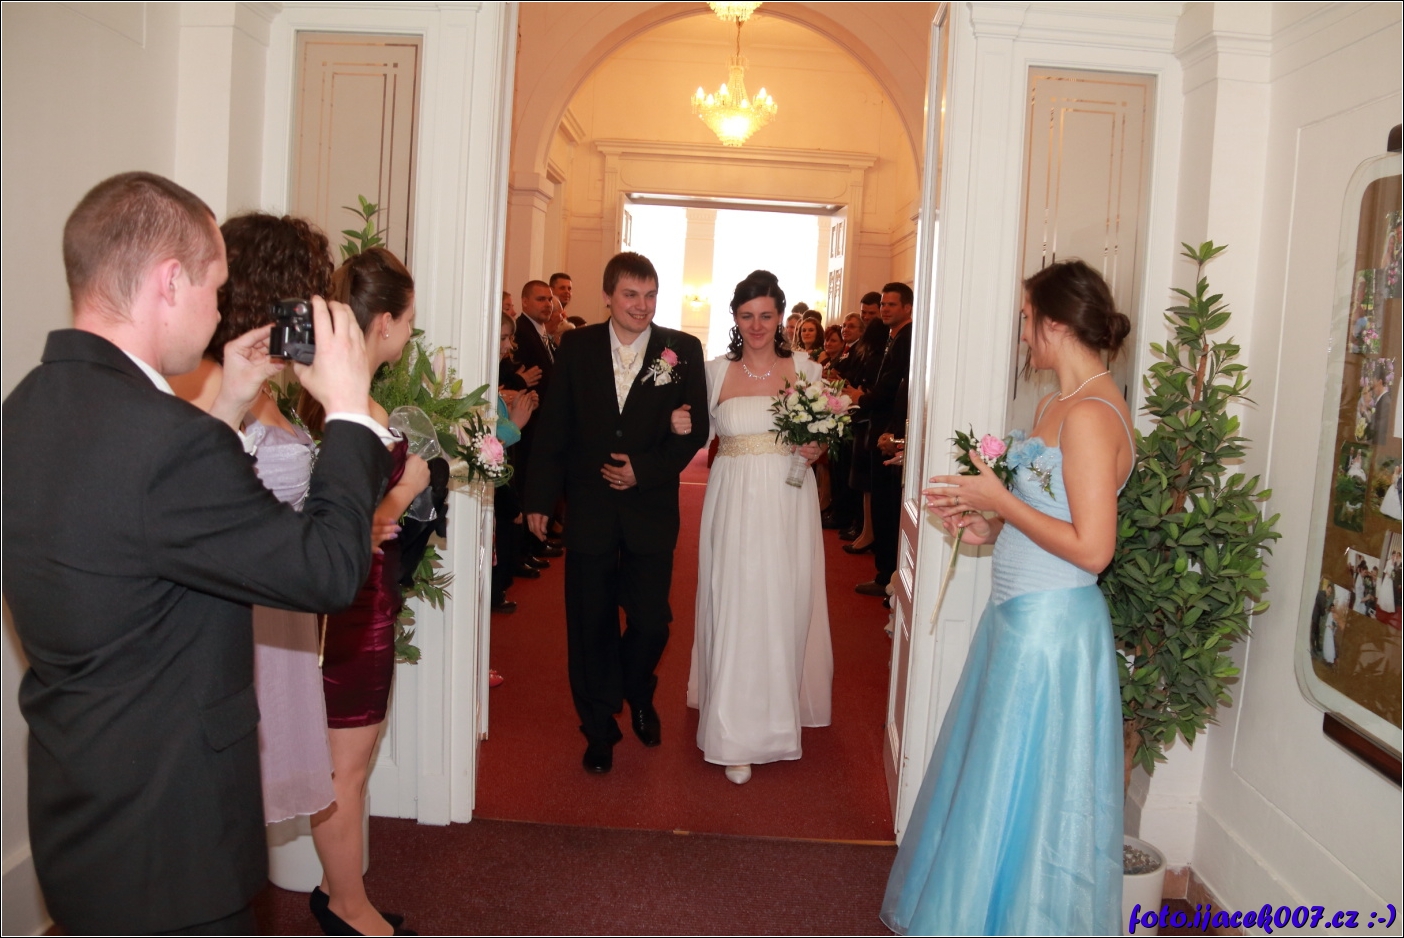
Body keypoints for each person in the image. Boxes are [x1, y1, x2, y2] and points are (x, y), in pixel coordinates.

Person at [2, 171, 393, 934]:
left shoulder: (27, 408)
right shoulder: (166, 442)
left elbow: (142, 534)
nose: (220, 309)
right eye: (216, 287)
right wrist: (350, 411)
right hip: (171, 834)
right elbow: (327, 570)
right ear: (170, 280)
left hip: (80, 798)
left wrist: (230, 400)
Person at [882, 259, 1132, 934]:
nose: (1022, 333)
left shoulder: (1091, 415)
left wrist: (1000, 499)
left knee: (1031, 794)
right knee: (998, 784)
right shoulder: (1056, 405)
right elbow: (1047, 518)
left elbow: (1093, 550)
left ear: (1057, 322)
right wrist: (987, 525)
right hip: (1017, 620)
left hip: (1051, 633)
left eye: (1026, 319)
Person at [169, 212, 338, 828]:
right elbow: (191, 505)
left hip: (276, 607)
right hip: (234, 616)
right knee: (217, 805)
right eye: (308, 295)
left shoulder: (260, 383)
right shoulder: (201, 383)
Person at [523, 251, 710, 774]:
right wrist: (539, 497)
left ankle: (637, 690)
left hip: (650, 509)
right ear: (607, 296)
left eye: (650, 295)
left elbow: (695, 429)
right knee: (591, 623)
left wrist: (643, 471)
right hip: (591, 507)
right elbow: (555, 424)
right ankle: (599, 727)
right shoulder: (577, 346)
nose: (642, 306)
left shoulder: (681, 349)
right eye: (631, 295)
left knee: (652, 622)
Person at [294, 247, 429, 937]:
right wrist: (407, 489)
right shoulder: (343, 406)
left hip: (361, 599)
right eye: (408, 319)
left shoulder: (336, 396)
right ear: (384, 323)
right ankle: (348, 910)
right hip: (350, 605)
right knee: (343, 771)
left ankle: (334, 889)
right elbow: (343, 519)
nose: (410, 332)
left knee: (351, 763)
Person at [683, 271, 834, 785]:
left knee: (782, 601)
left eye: (766, 315)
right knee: (737, 599)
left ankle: (774, 716)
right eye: (747, 316)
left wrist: (816, 448)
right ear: (735, 318)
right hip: (732, 501)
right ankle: (735, 730)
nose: (756, 325)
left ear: (781, 317)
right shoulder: (714, 372)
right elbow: (691, 436)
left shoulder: (806, 370)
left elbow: (822, 438)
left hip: (788, 500)